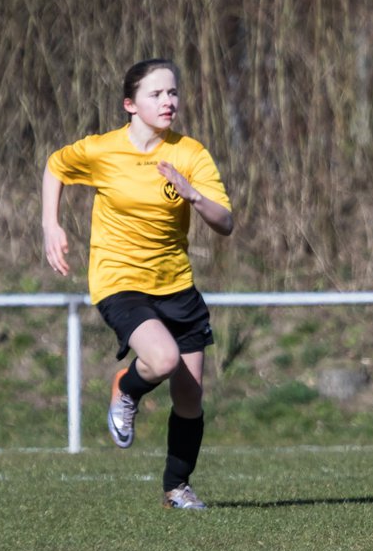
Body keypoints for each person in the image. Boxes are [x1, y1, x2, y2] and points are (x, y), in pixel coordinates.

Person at [42, 58, 234, 510]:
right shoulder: (102, 150)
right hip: (119, 279)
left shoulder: (190, 153)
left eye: (173, 93)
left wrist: (194, 196)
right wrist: (51, 226)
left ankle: (177, 488)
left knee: (189, 397)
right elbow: (55, 166)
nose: (169, 101)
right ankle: (127, 389)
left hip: (176, 283)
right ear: (131, 105)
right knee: (163, 360)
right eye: (156, 94)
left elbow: (225, 222)